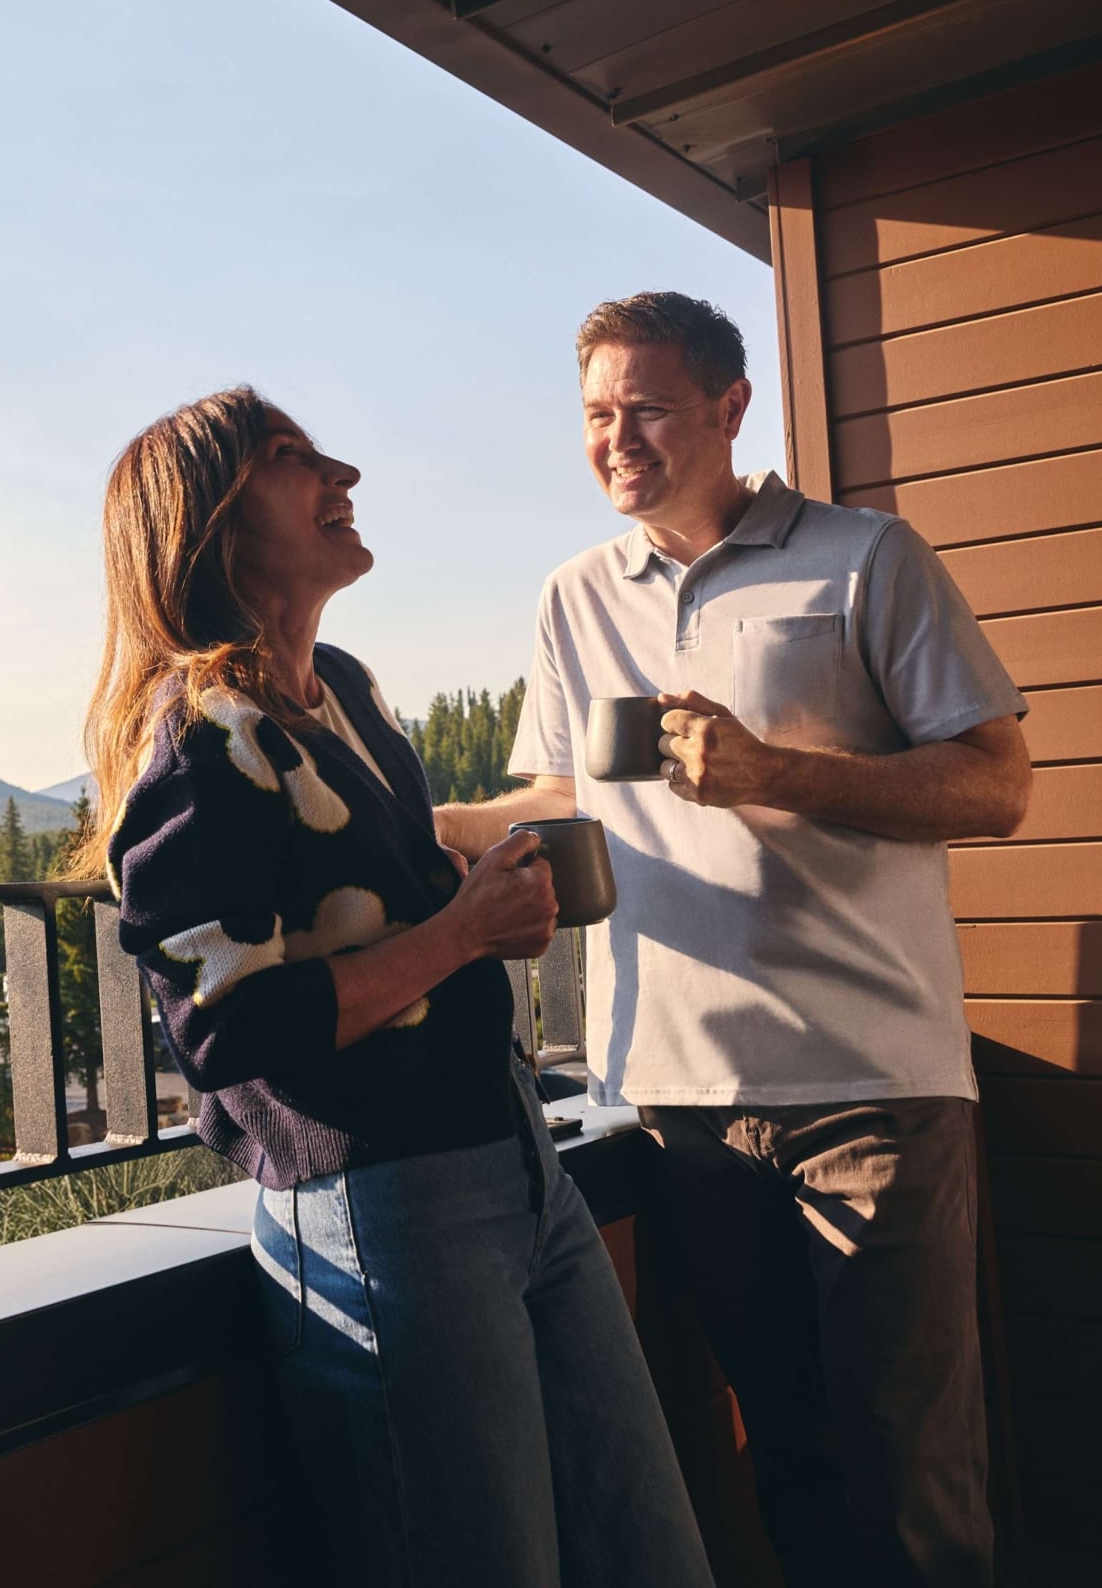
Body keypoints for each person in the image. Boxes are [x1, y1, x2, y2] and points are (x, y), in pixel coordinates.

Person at [434, 294, 1032, 1587]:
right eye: (597, 414)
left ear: (728, 408)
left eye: (646, 407)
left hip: (871, 1089)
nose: (618, 438)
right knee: (783, 1461)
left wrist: (775, 772)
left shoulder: (868, 559)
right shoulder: (574, 594)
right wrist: (424, 825)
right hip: (677, 1102)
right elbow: (563, 793)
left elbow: (996, 787)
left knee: (910, 1471)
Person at [78, 386, 715, 1588]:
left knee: (651, 1548)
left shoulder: (350, 695)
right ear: (211, 524)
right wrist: (462, 934)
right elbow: (229, 1027)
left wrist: (481, 910)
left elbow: (409, 918)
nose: (344, 472)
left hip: (519, 1166)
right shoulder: (197, 739)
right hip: (384, 1209)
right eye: (292, 458)